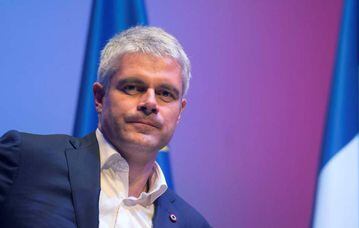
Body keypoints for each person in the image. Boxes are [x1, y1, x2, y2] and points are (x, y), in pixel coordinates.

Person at [0, 26, 210, 228]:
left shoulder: (191, 223)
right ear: (100, 98)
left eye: (165, 93)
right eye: (133, 88)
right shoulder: (25, 161)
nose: (150, 103)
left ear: (180, 111)